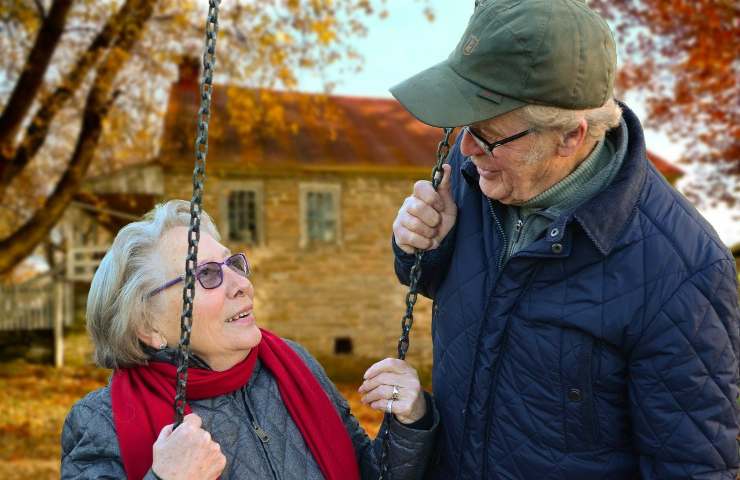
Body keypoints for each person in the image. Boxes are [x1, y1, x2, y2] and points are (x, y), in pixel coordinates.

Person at [390, 0, 740, 478]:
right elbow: (445, 287)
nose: (468, 150)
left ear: (571, 137)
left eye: (487, 136)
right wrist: (421, 245)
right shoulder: (478, 171)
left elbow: (692, 466)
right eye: (464, 129)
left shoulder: (681, 271)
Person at [61, 200, 438, 480]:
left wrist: (408, 422)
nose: (242, 285)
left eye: (233, 264)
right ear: (148, 327)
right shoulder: (101, 421)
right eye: (207, 275)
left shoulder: (293, 365)